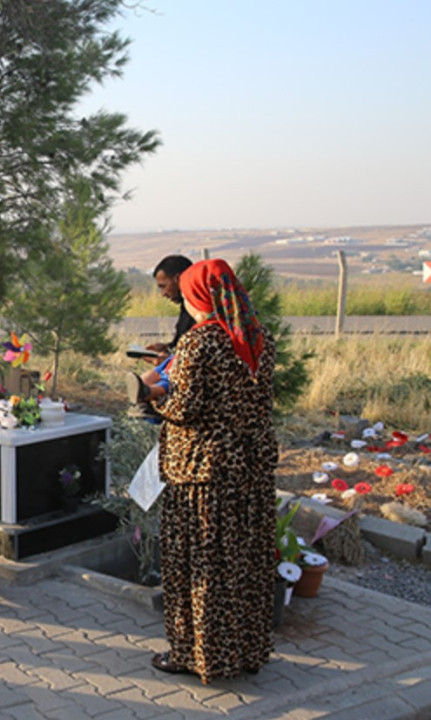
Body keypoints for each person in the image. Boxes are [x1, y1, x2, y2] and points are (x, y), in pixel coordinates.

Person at [149, 258, 277, 683]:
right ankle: (245, 650)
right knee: (243, 563)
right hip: (250, 473)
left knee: (201, 567)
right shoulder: (258, 339)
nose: (183, 297)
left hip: (202, 475)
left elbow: (183, 407)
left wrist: (151, 396)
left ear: (199, 295)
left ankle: (197, 655)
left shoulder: (199, 343)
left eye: (186, 290)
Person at [126, 255, 194, 414]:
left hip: (185, 368)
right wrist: (167, 347)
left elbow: (196, 349)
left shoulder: (199, 310)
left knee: (157, 377)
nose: (163, 293)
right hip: (178, 361)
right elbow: (183, 341)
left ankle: (149, 394)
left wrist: (169, 358)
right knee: (147, 378)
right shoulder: (187, 307)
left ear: (178, 279)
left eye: (163, 286)